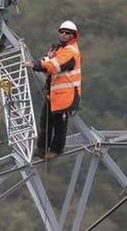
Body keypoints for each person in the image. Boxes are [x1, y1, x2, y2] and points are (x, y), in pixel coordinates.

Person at [24, 20, 81, 160]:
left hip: (65, 96)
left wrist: (34, 64)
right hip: (54, 94)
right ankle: (42, 149)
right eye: (61, 32)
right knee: (46, 122)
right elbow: (47, 61)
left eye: (67, 33)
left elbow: (52, 66)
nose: (63, 35)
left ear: (73, 36)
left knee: (59, 126)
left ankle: (56, 149)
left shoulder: (70, 51)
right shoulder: (59, 49)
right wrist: (42, 61)